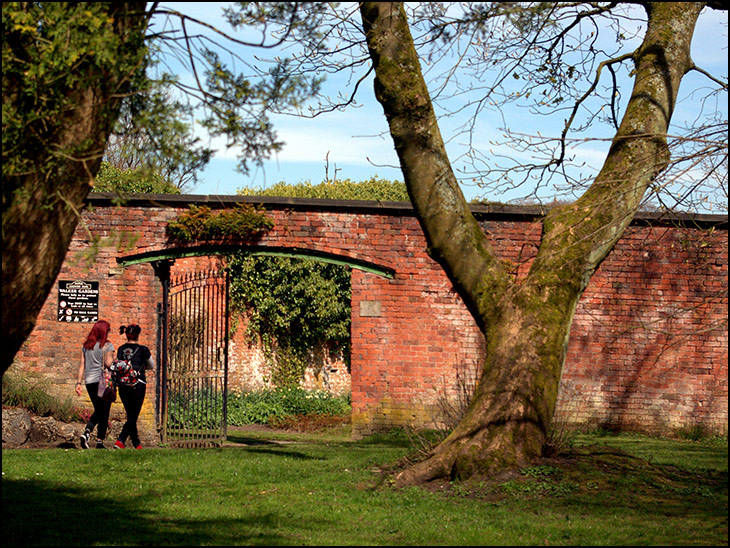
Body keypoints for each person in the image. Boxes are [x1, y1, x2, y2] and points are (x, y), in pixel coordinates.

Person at [76, 320, 115, 449]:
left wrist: (78, 383)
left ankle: (92, 436)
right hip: (102, 381)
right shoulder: (107, 346)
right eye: (108, 330)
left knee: (100, 410)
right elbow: (109, 363)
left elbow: (82, 365)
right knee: (104, 410)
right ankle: (95, 438)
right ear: (104, 331)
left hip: (89, 382)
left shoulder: (86, 346)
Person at [113, 324, 154, 449]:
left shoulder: (120, 349)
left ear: (126, 335)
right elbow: (151, 365)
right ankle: (121, 440)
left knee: (131, 413)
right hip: (138, 384)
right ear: (138, 335)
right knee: (133, 415)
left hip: (123, 385)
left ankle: (137, 443)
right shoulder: (143, 350)